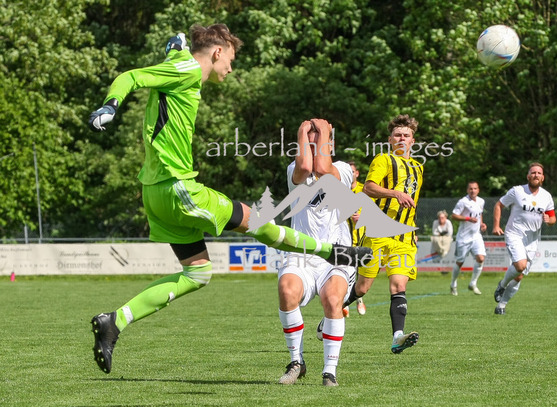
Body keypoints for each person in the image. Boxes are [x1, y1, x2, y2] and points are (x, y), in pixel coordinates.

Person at [87, 25, 370, 374]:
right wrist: (110, 105)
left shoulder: (180, 68)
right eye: (230, 60)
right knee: (259, 223)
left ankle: (115, 321)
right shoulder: (188, 69)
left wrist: (174, 47)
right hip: (178, 187)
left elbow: (163, 70)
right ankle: (334, 253)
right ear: (217, 51)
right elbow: (130, 76)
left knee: (198, 273)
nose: (231, 69)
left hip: (154, 194)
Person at [277, 119, 355, 387]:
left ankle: (329, 371)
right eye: (307, 144)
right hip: (302, 254)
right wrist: (303, 131)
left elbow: (321, 169)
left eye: (317, 142)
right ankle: (296, 362)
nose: (312, 147)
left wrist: (323, 132)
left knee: (332, 299)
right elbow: (306, 167)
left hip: (337, 255)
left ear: (329, 145)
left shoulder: (343, 170)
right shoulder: (294, 169)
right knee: (287, 290)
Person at [342, 114, 422, 354]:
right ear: (390, 139)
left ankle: (397, 337)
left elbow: (412, 202)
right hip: (378, 234)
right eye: (397, 135)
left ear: (413, 141)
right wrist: (395, 193)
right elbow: (368, 187)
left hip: (403, 239)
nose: (402, 139)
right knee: (362, 288)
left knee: (398, 286)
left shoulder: (418, 167)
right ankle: (331, 313)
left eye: (406, 135)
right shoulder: (383, 159)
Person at [492, 162, 556, 315]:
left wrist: (549, 220)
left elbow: (553, 218)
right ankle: (502, 285)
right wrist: (496, 225)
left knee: (519, 276)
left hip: (532, 240)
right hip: (514, 234)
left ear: (543, 178)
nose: (536, 175)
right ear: (528, 176)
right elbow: (499, 205)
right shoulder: (517, 191)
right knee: (520, 265)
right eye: (533, 172)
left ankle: (501, 306)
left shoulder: (546, 196)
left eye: (539, 173)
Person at [449, 181, 487, 296]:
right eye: (470, 189)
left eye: (475, 188)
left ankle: (473, 283)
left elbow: (479, 214)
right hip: (463, 237)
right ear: (467, 190)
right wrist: (467, 219)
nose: (473, 191)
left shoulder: (481, 201)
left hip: (476, 236)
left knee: (481, 258)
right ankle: (453, 284)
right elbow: (454, 215)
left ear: (478, 190)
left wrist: (482, 224)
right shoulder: (463, 201)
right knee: (460, 262)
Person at [344, 161, 366, 316]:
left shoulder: (365, 190)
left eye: (352, 171)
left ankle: (358, 299)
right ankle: (345, 302)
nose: (349, 174)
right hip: (345, 239)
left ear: (356, 173)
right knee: (346, 269)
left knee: (360, 271)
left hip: (363, 237)